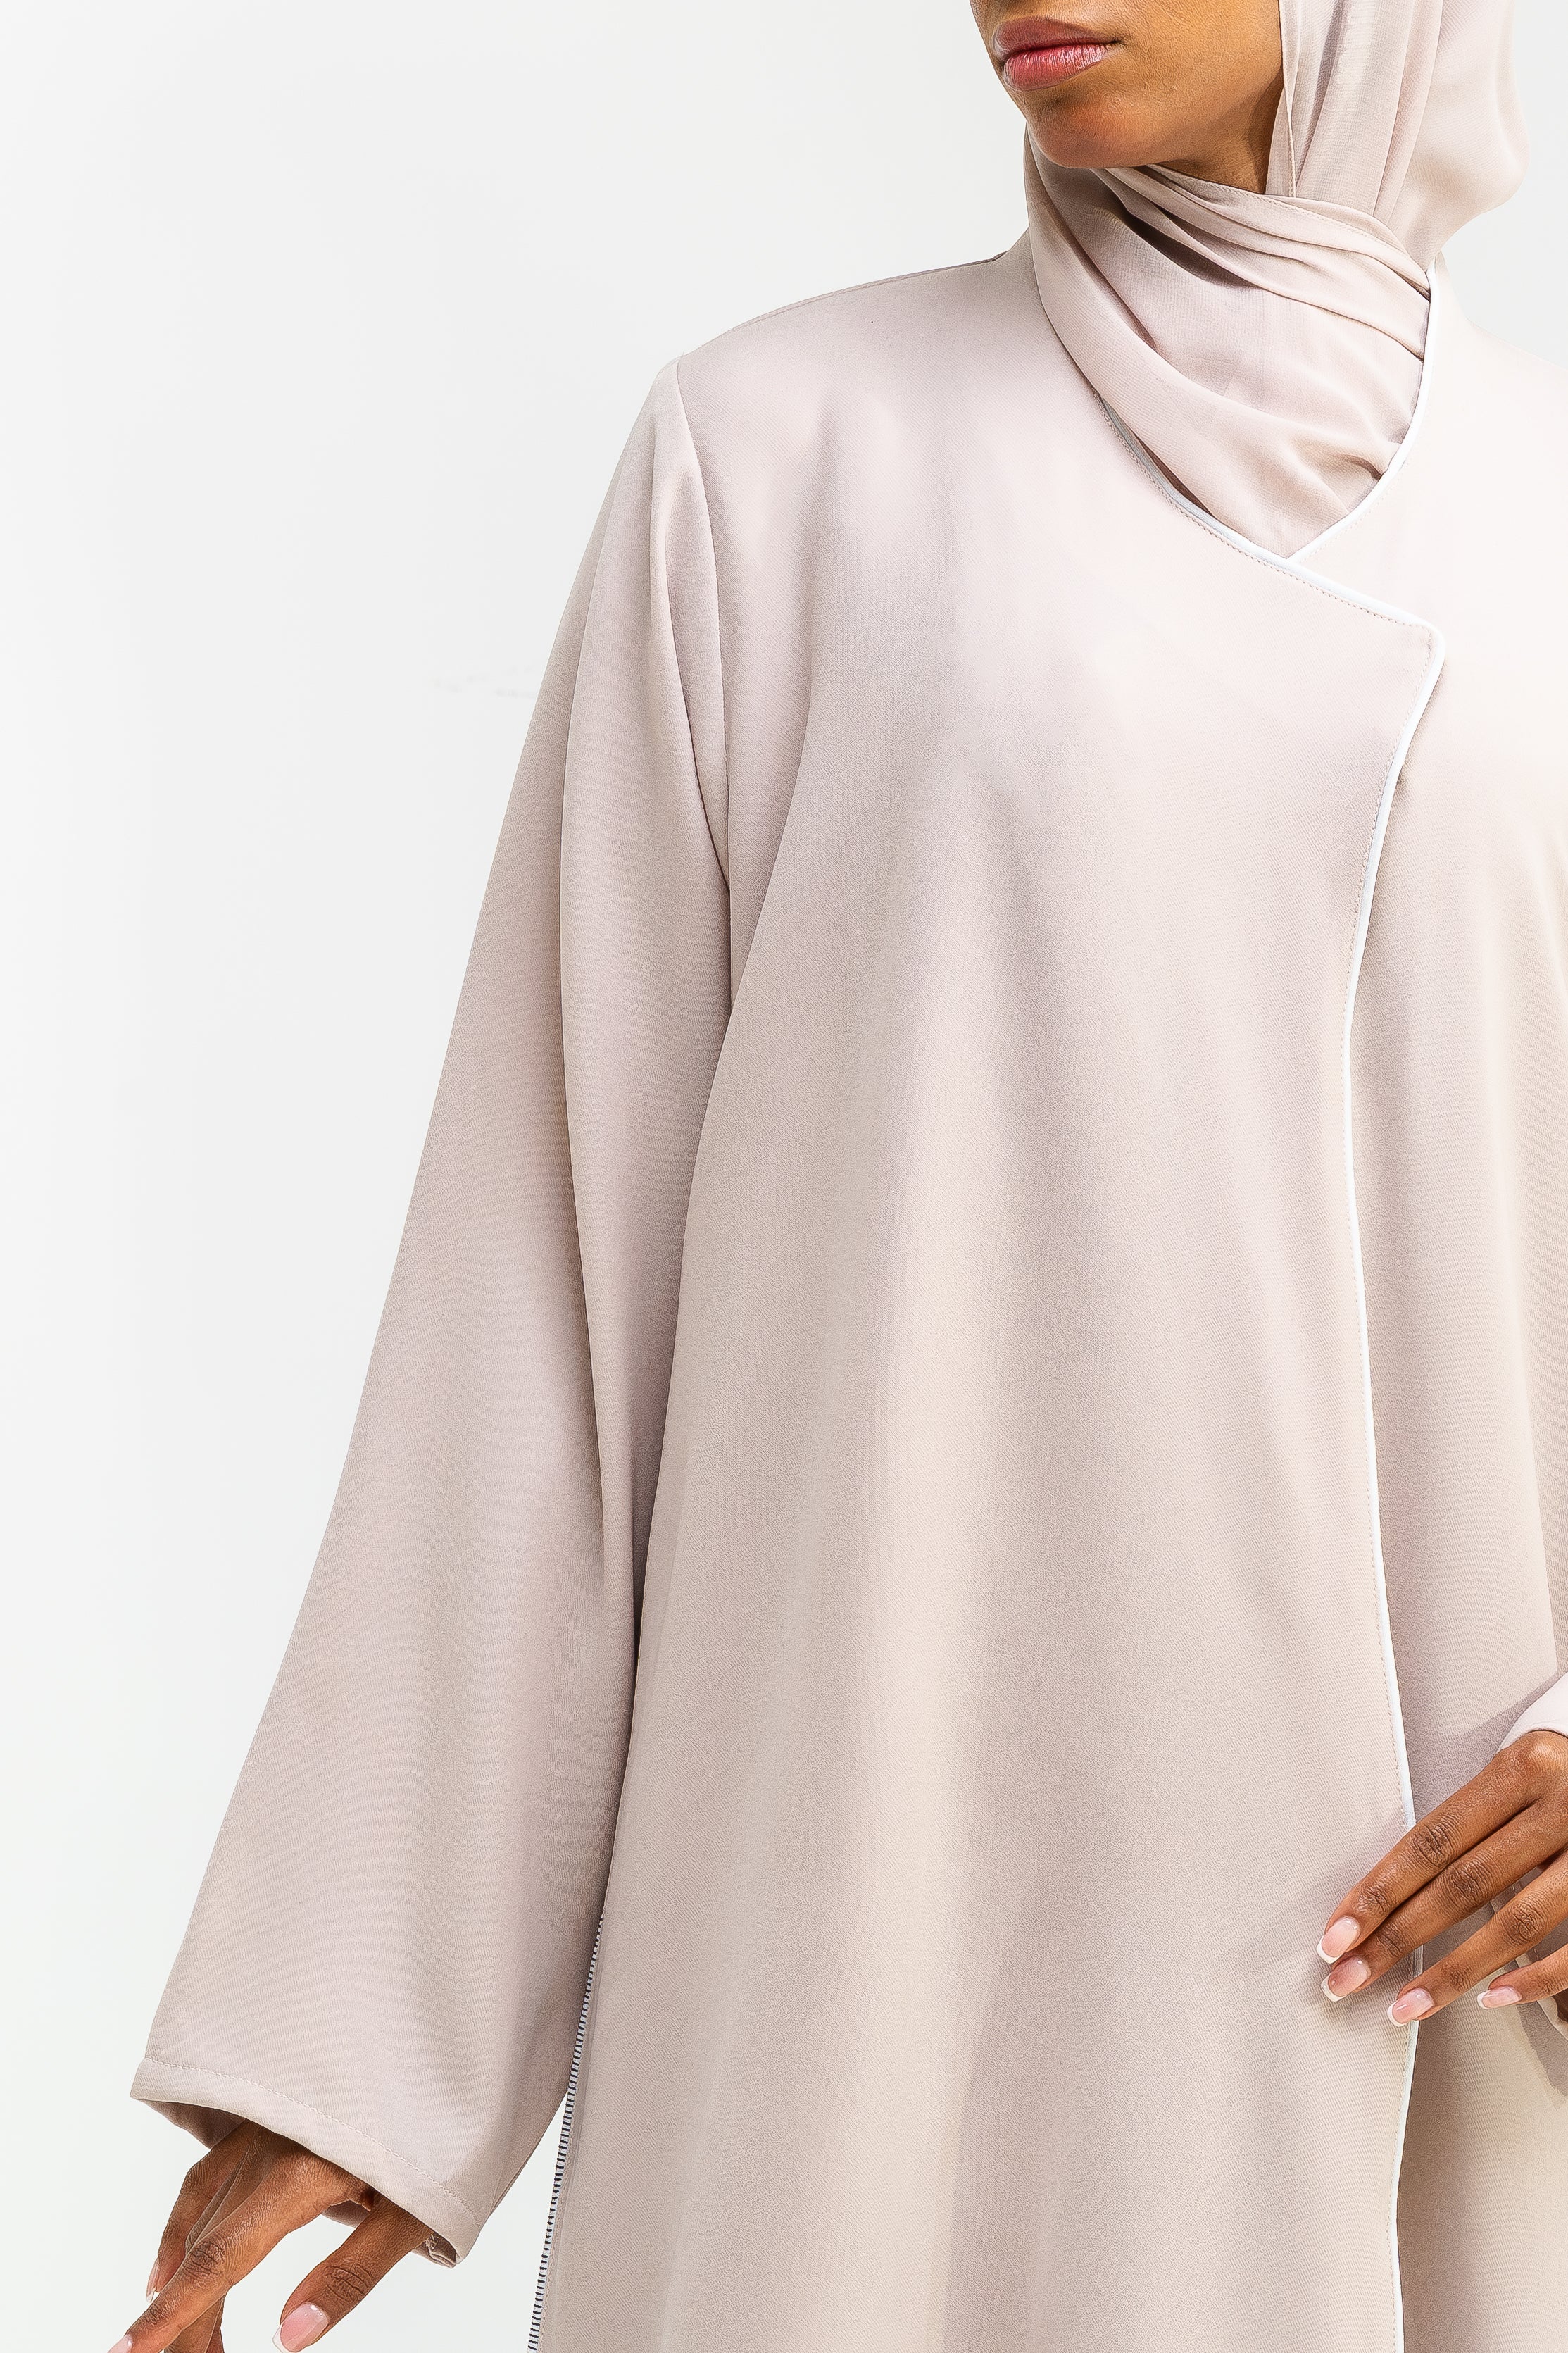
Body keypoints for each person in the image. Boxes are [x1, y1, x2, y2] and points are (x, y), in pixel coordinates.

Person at [111, 3, 1568, 2349]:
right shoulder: (778, 450)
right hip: (872, 1880)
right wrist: (375, 2038)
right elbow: (554, 1267)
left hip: (1432, 1942)